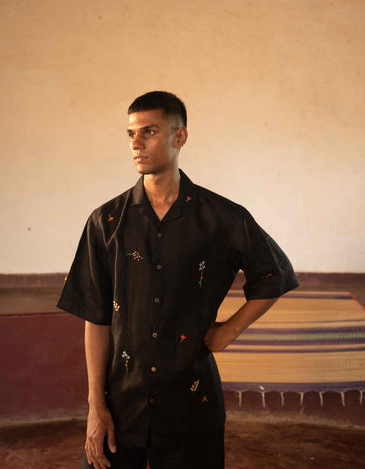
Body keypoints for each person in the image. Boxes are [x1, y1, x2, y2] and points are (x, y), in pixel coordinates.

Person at [57, 91, 299, 469]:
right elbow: (96, 315)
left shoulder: (222, 218)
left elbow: (273, 275)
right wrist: (95, 404)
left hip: (193, 401)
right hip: (123, 402)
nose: (136, 144)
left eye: (149, 132)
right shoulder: (106, 222)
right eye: (130, 134)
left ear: (179, 137)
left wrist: (229, 331)